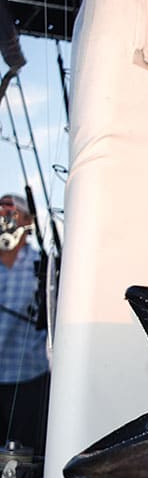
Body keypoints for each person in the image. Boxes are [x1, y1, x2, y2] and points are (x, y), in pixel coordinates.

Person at [0, 193, 49, 455]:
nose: (2, 214)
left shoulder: (41, 266)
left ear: (28, 221)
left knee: (23, 460)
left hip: (29, 380)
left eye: (11, 210)